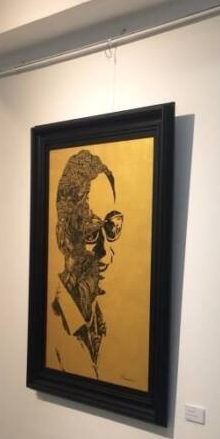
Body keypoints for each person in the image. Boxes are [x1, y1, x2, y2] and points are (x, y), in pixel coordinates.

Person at [49, 150, 124, 378]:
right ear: (63, 238)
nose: (105, 252)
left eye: (111, 228)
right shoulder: (53, 328)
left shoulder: (102, 324)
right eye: (91, 233)